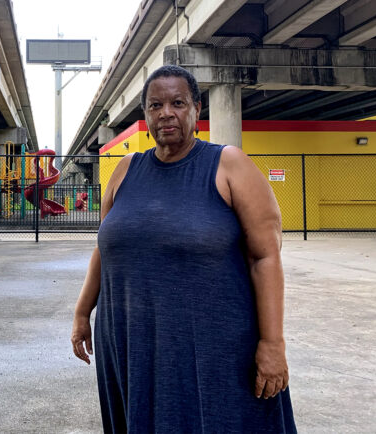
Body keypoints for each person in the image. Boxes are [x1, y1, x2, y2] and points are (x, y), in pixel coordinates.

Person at [71, 65, 296, 433]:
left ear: (196, 109)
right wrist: (83, 312)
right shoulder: (125, 170)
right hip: (130, 338)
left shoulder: (229, 165)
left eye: (178, 103)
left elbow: (265, 257)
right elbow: (105, 248)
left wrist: (273, 343)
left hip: (211, 343)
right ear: (146, 114)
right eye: (155, 105)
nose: (166, 113)